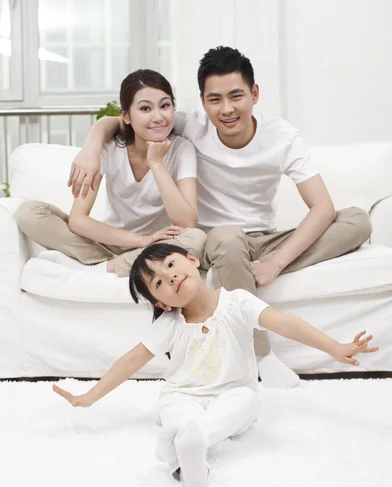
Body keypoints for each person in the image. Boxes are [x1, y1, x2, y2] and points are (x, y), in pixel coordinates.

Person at [65, 46, 372, 388]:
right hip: (212, 241)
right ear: (202, 101)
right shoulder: (188, 125)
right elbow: (121, 119)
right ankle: (260, 357)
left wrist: (276, 262)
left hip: (263, 239)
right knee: (225, 235)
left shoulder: (282, 136)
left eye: (236, 96)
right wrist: (91, 148)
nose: (226, 109)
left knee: (357, 220)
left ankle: (244, 268)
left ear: (254, 94)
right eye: (215, 99)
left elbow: (323, 208)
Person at [53, 243, 378, 487]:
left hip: (232, 392)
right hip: (182, 394)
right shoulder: (169, 323)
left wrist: (334, 347)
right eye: (159, 284)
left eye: (170, 265)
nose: (170, 277)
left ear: (192, 260)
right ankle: (188, 446)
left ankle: (193, 441)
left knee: (245, 402)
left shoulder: (237, 302)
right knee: (178, 413)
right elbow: (131, 360)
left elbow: (283, 323)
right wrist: (90, 396)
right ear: (162, 303)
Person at [14, 70, 206, 277]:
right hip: (114, 241)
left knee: (195, 239)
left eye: (165, 105)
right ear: (126, 116)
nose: (158, 116)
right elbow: (78, 220)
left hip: (159, 246)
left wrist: (156, 163)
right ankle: (117, 264)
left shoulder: (182, 149)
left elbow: (186, 223)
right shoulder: (110, 148)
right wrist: (142, 240)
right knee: (28, 212)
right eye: (145, 108)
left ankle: (102, 266)